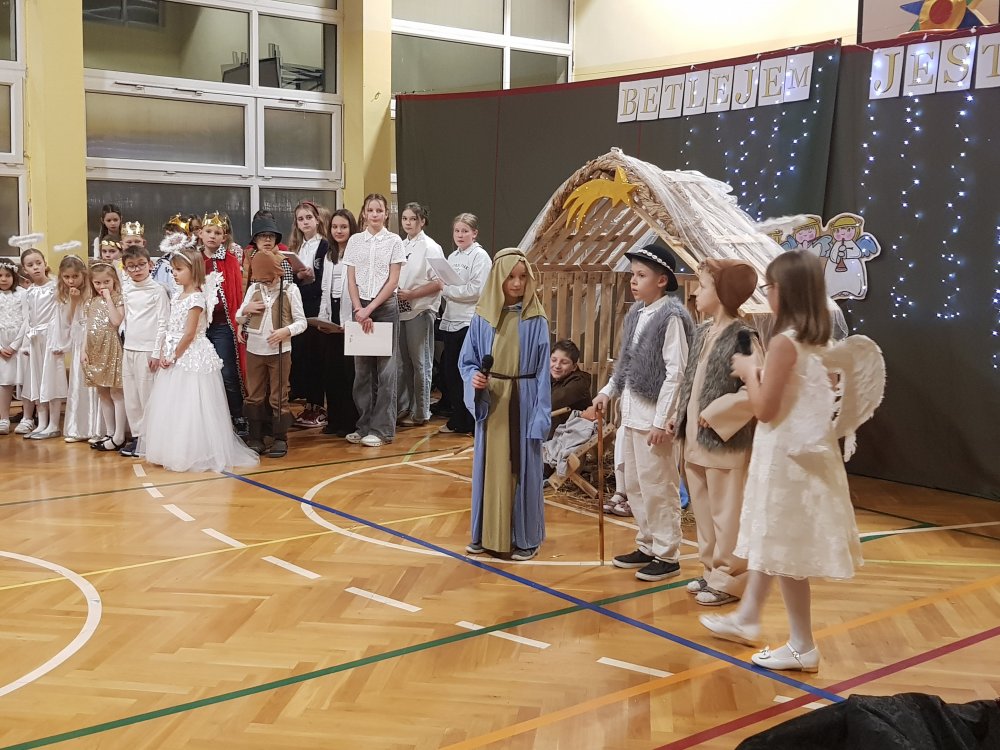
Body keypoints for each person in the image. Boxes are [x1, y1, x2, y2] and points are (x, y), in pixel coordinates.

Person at [700, 250, 864, 673]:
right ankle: (748, 616)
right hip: (802, 454)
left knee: (785, 549)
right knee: (773, 541)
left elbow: (765, 409)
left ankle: (801, 644)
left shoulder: (784, 342)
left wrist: (748, 372)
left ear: (785, 291)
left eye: (769, 287)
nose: (766, 294)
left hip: (784, 458)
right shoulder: (821, 341)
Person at [593, 243, 693, 582]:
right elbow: (626, 363)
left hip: (654, 420)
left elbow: (676, 372)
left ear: (662, 280)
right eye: (633, 275)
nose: (633, 281)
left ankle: (667, 553)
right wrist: (607, 392)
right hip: (632, 416)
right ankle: (647, 543)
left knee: (658, 486)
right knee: (634, 484)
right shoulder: (636, 313)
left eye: (641, 275)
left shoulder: (672, 317)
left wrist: (663, 421)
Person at [668, 259, 761, 606]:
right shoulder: (703, 331)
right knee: (705, 513)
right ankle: (711, 572)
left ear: (722, 293)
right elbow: (691, 383)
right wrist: (679, 417)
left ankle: (731, 579)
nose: (695, 292)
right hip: (695, 442)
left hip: (725, 443)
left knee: (727, 514)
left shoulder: (744, 337)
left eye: (704, 285)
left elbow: (755, 388)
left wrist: (718, 413)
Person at [459, 248, 550, 561]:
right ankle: (486, 535)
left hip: (524, 401)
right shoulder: (483, 319)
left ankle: (525, 538)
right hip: (494, 402)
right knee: (491, 469)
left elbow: (543, 373)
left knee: (523, 469)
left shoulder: (536, 320)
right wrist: (475, 379)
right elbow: (468, 361)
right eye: (510, 277)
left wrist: (540, 414)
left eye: (523, 277)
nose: (517, 283)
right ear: (498, 278)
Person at [144, 248, 259, 473]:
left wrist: (173, 356)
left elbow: (189, 333)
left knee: (193, 403)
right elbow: (172, 327)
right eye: (172, 270)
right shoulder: (178, 295)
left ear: (193, 270)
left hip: (190, 355)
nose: (174, 274)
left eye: (179, 270)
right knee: (175, 404)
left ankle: (194, 451)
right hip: (175, 352)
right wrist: (165, 351)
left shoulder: (196, 298)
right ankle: (172, 449)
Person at [236, 230, 307, 458]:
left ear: (278, 273)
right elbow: (239, 317)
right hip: (254, 350)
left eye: (269, 279)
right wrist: (245, 311)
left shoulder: (290, 291)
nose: (265, 283)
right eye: (261, 280)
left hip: (280, 351)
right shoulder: (254, 289)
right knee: (254, 394)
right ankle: (256, 436)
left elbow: (302, 322)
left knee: (278, 395)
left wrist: (286, 331)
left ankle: (279, 438)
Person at [343, 193, 406, 447]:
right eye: (371, 210)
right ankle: (364, 425)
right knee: (362, 372)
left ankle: (382, 430)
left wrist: (370, 309)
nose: (375, 214)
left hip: (385, 308)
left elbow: (393, 280)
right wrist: (359, 308)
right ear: (364, 213)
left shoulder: (394, 241)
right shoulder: (355, 241)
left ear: (386, 214)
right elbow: (351, 279)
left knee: (386, 371)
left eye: (379, 210)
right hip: (360, 309)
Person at [438, 213, 491, 436]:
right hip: (451, 319)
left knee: (467, 374)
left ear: (474, 233)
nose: (460, 235)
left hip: (468, 321)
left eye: (465, 231)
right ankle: (458, 418)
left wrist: (447, 290)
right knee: (450, 372)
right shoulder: (452, 256)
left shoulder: (480, 257)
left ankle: (471, 421)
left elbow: (477, 291)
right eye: (457, 231)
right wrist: (445, 289)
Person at [397, 202, 445, 427]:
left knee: (420, 361)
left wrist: (412, 294)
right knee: (405, 362)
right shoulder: (402, 244)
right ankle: (408, 406)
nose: (408, 223)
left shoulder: (431, 247)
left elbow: (439, 283)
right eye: (405, 218)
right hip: (402, 310)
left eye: (413, 219)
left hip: (421, 309)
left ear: (422, 221)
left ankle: (421, 411)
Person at [119, 244, 170, 457]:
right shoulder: (126, 289)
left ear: (150, 264)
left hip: (148, 350)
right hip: (129, 348)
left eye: (141, 264)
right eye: (131, 266)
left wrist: (156, 352)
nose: (137, 269)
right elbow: (125, 319)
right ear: (125, 269)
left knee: (146, 397)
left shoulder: (157, 290)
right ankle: (138, 437)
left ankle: (150, 439)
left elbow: (163, 322)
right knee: (131, 398)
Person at [200, 211, 247, 435]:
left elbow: (235, 294)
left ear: (224, 237)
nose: (212, 236)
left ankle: (237, 414)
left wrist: (237, 323)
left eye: (217, 233)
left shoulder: (229, 260)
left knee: (227, 371)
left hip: (222, 326)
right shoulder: (194, 260)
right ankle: (208, 418)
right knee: (202, 373)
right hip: (199, 326)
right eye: (208, 231)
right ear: (200, 233)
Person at [316, 208, 360, 437]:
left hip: (350, 316)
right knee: (331, 371)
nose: (339, 231)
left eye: (343, 226)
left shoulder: (357, 254)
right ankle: (334, 420)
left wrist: (351, 319)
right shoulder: (329, 255)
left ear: (351, 228)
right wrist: (322, 317)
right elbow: (325, 288)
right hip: (331, 314)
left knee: (348, 373)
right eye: (335, 227)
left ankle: (350, 421)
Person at [287, 201, 330, 428]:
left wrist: (309, 278)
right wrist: (299, 277)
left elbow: (325, 279)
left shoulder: (324, 245)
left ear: (317, 219)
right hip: (299, 305)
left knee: (316, 357)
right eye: (300, 219)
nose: (305, 222)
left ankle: (318, 406)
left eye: (308, 218)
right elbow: (291, 279)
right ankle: (308, 405)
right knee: (302, 356)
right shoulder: (297, 247)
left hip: (316, 305)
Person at [15, 247, 66, 438]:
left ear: (45, 263)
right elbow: (28, 319)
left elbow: (62, 316)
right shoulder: (29, 292)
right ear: (25, 269)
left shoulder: (55, 287)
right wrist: (26, 343)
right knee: (37, 380)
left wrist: (60, 341)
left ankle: (54, 424)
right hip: (35, 340)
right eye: (30, 265)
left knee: (52, 380)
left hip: (51, 338)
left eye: (38, 263)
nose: (35, 267)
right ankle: (41, 422)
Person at [52, 254, 100, 443]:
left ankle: (97, 428)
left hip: (95, 339)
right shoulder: (64, 295)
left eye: (75, 276)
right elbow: (68, 321)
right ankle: (79, 428)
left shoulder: (92, 290)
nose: (71, 281)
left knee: (96, 383)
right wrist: (73, 301)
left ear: (83, 274)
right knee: (79, 381)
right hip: (79, 340)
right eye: (67, 277)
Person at [82, 262, 127, 452]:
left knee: (116, 392)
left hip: (112, 347)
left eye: (106, 282)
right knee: (102, 392)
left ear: (114, 280)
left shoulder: (118, 299)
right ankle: (110, 432)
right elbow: (87, 328)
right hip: (95, 350)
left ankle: (120, 435)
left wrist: (108, 297)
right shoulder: (90, 302)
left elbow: (116, 321)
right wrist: (83, 350)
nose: (102, 286)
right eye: (98, 283)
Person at [548, 339, 592, 439]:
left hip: (571, 436)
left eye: (564, 362)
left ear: (574, 367)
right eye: (553, 360)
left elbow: (551, 403)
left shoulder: (579, 382)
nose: (557, 366)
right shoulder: (550, 378)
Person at [0, 259, 25, 435]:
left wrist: (15, 345)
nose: (3, 279)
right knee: (4, 382)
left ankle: (28, 417)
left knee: (26, 381)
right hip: (2, 347)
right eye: (0, 275)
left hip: (20, 345)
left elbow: (27, 320)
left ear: (14, 276)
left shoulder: (22, 294)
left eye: (7, 275)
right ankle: (3, 418)